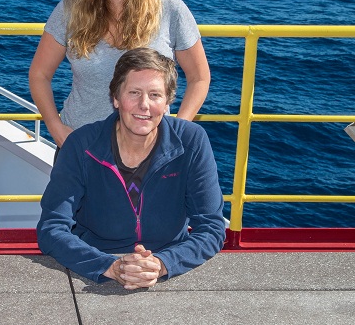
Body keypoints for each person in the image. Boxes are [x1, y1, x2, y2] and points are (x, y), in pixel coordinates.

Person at [36, 48, 225, 290]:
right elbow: (51, 227)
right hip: (97, 261)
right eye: (134, 93)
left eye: (155, 95)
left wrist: (163, 263)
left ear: (167, 102)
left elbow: (211, 227)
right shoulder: (81, 145)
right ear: (116, 98)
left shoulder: (191, 141)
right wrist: (109, 266)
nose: (144, 105)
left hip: (168, 260)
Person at [29, 0, 210, 148]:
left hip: (148, 151)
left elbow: (199, 78)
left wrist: (175, 132)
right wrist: (58, 129)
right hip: (81, 147)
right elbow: (39, 75)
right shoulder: (70, 11)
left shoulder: (171, 10)